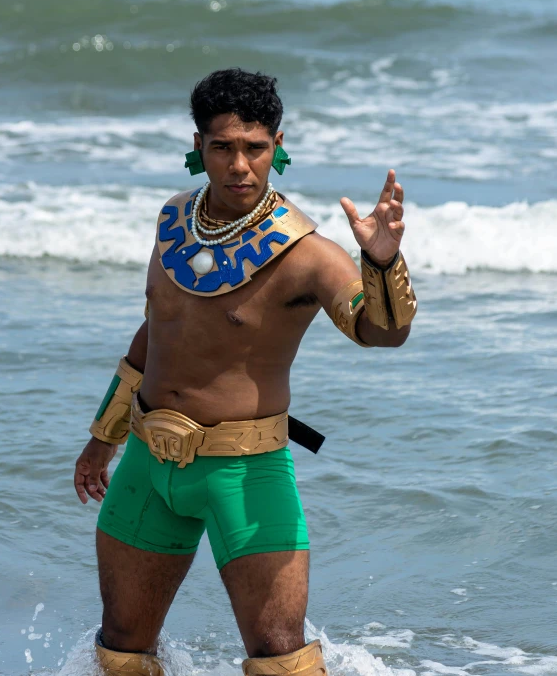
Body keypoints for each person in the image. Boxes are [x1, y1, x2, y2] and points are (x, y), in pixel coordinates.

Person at [74, 68, 417, 676]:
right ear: (197, 149)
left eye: (255, 149)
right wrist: (103, 437)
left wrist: (380, 260)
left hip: (247, 473)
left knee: (280, 657)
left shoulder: (306, 253)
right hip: (147, 465)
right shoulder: (173, 221)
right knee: (122, 651)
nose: (240, 166)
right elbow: (154, 333)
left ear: (277, 147)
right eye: (223, 148)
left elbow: (380, 333)